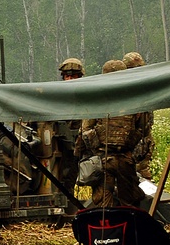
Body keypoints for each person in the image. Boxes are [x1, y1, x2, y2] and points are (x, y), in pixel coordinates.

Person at [76, 59, 146, 207]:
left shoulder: (96, 99)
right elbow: (143, 130)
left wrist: (92, 152)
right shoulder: (135, 99)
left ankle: (108, 228)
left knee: (105, 204)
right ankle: (123, 228)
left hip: (104, 159)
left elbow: (85, 131)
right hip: (123, 159)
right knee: (128, 203)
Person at [53, 58, 85, 200]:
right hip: (61, 147)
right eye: (67, 76)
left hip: (81, 146)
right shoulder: (57, 96)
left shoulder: (87, 95)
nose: (70, 79)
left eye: (74, 76)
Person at [123, 51, 155, 180]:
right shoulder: (122, 91)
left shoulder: (145, 90)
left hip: (142, 147)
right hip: (126, 148)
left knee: (145, 183)